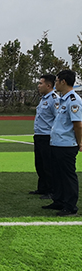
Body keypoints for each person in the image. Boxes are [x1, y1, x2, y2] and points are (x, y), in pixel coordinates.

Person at [42, 70, 82, 216]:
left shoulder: (73, 100)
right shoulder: (63, 100)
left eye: (57, 81)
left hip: (67, 144)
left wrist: (80, 142)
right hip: (57, 143)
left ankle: (70, 206)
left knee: (67, 175)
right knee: (57, 174)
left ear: (63, 82)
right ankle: (58, 200)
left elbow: (78, 125)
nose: (55, 84)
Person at [30, 74, 58, 199]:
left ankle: (51, 191)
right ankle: (42, 188)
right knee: (40, 164)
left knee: (48, 165)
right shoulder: (43, 99)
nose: (38, 85)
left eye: (41, 83)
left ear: (49, 85)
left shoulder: (54, 99)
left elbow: (58, 118)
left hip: (48, 136)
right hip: (39, 135)